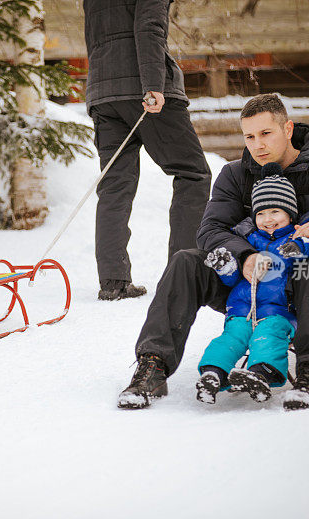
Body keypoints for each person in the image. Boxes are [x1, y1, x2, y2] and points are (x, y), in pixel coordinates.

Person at [117, 93, 309, 410]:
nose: (257, 145)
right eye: (249, 136)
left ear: (288, 129)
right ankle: (153, 366)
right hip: (252, 285)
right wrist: (244, 255)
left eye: (265, 133)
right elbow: (210, 231)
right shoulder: (236, 175)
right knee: (186, 262)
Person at [83, 0, 211, 300]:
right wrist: (154, 83)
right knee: (193, 174)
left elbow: (96, 38)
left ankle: (113, 280)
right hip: (145, 89)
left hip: (103, 95)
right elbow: (149, 27)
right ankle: (183, 276)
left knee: (114, 187)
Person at [195, 171, 309, 405]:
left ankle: (262, 376)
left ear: (290, 213)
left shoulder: (298, 239)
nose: (268, 219)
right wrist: (227, 268)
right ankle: (213, 374)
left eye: (275, 211)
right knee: (229, 339)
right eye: (261, 213)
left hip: (278, 312)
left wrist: (302, 247)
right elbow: (234, 280)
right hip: (241, 311)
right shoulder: (247, 241)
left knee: (267, 338)